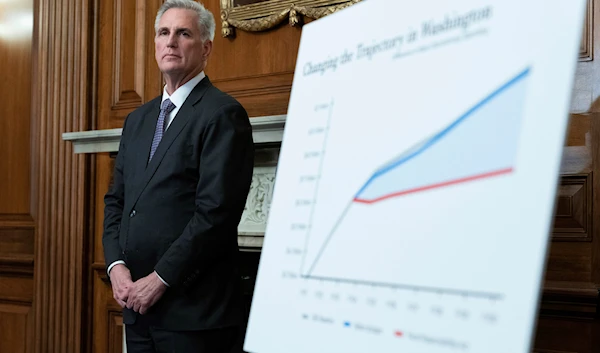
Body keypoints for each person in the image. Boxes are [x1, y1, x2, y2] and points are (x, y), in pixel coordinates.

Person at [102, 0, 254, 351]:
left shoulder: (223, 114)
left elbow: (215, 216)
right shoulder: (137, 120)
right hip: (137, 309)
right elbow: (117, 203)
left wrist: (160, 279)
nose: (170, 41)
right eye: (163, 32)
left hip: (193, 315)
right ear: (155, 44)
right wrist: (116, 266)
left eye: (183, 33)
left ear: (206, 48)